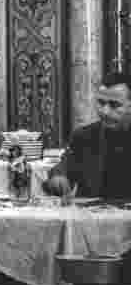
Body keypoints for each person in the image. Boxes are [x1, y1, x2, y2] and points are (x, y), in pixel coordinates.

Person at [45, 72, 131, 200]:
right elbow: (64, 166)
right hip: (94, 215)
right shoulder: (84, 136)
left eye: (114, 105)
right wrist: (58, 178)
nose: (105, 111)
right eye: (101, 103)